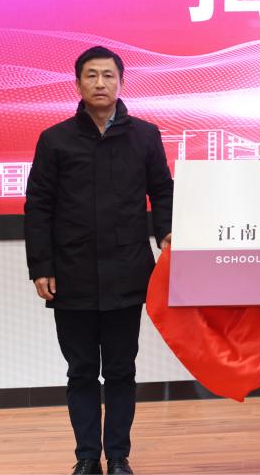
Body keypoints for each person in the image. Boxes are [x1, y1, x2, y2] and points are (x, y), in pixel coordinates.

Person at [25, 46, 173, 475]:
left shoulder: (145, 136)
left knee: (122, 371)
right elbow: (38, 205)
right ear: (78, 84)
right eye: (91, 75)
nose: (100, 83)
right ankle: (87, 458)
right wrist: (40, 266)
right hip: (71, 275)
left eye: (108, 75)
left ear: (121, 82)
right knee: (82, 371)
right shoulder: (55, 139)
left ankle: (119, 457)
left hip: (127, 272)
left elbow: (162, 189)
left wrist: (166, 232)